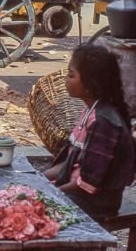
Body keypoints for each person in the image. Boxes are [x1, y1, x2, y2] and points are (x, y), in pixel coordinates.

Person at [44, 44, 135, 220]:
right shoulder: (90, 110)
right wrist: (38, 179)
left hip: (95, 202)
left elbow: (88, 184)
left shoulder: (103, 123)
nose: (66, 80)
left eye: (71, 75)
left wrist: (52, 191)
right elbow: (70, 162)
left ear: (89, 85)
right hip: (76, 192)